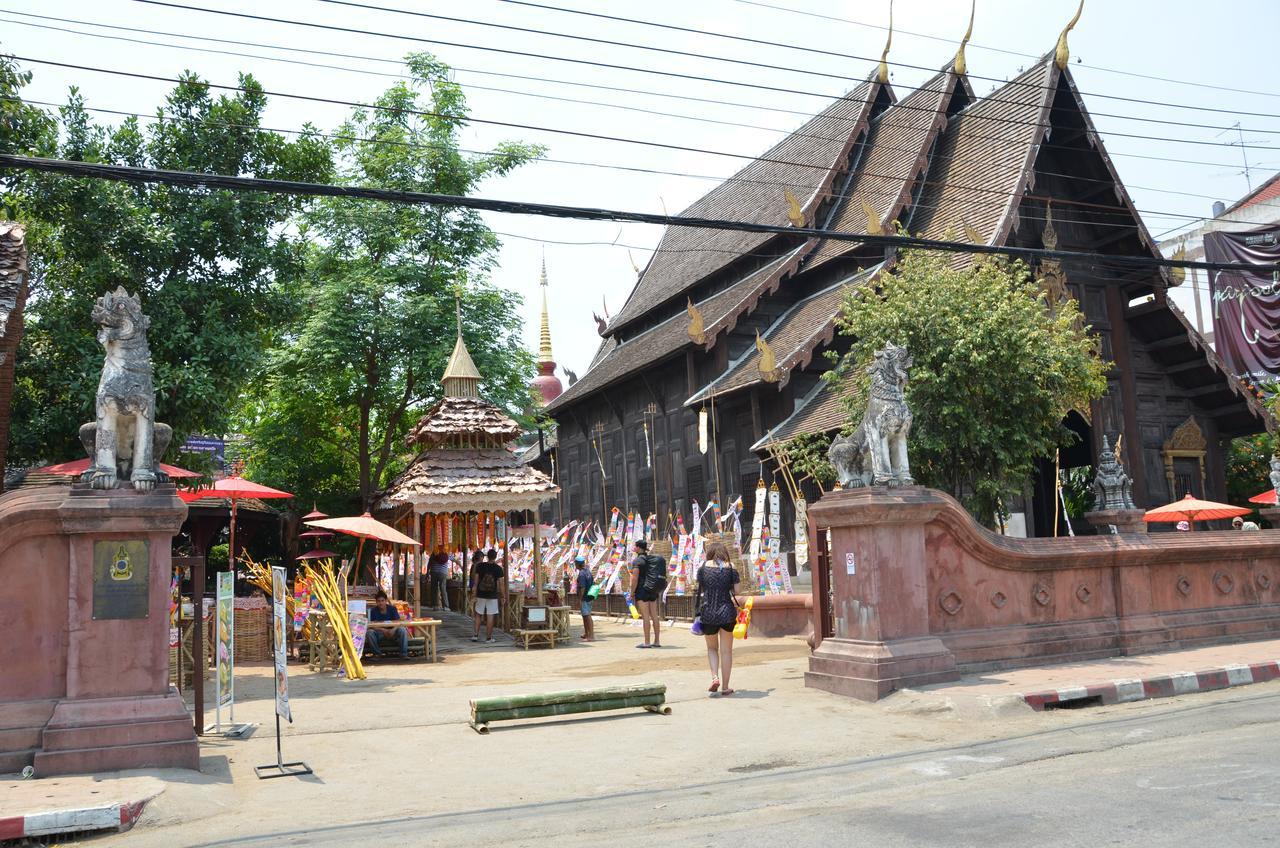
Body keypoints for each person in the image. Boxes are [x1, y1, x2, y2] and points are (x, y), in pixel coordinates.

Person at [696, 541, 741, 695]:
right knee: (726, 651)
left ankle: (715, 677)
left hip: (708, 613)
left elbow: (701, 586)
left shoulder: (703, 567)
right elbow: (737, 590)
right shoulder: (731, 567)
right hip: (727, 612)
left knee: (712, 648)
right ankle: (726, 686)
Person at [629, 539, 667, 648]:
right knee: (654, 615)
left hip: (642, 590)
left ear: (638, 548)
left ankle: (646, 642)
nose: (634, 548)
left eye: (635, 546)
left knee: (646, 616)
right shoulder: (650, 559)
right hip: (653, 590)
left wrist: (632, 593)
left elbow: (635, 578)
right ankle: (657, 641)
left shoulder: (637, 561)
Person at [471, 547, 505, 643]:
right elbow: (501, 584)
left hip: (480, 594)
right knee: (490, 616)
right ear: (495, 557)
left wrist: (474, 592)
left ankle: (475, 635)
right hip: (492, 595)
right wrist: (503, 596)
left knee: (478, 614)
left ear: (487, 557)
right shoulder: (498, 569)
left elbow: (476, 581)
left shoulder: (480, 566)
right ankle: (488, 638)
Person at [367, 590, 408, 658]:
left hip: (393, 632)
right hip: (380, 633)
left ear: (386, 601)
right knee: (369, 633)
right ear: (376, 602)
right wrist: (383, 630)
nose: (381, 603)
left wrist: (393, 630)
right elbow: (371, 626)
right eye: (379, 601)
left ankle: (403, 654)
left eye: (382, 600)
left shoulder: (392, 609)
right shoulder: (373, 611)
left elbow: (398, 622)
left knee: (402, 630)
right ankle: (377, 654)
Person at [575, 555, 596, 642]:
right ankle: (587, 633)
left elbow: (582, 587)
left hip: (585, 598)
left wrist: (580, 599)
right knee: (585, 616)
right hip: (590, 596)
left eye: (575, 564)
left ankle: (591, 635)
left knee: (587, 616)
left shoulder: (582, 574)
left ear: (577, 564)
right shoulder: (588, 571)